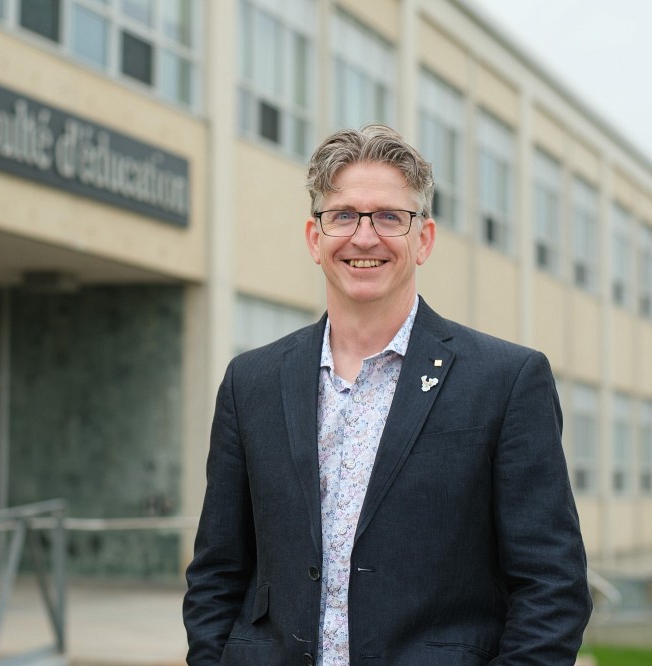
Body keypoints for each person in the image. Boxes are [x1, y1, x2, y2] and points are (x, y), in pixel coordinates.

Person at [182, 124, 591, 665]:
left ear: (423, 239)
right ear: (315, 238)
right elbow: (217, 572)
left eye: (390, 217)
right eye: (344, 215)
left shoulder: (506, 380)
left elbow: (551, 586)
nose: (364, 236)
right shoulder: (250, 382)